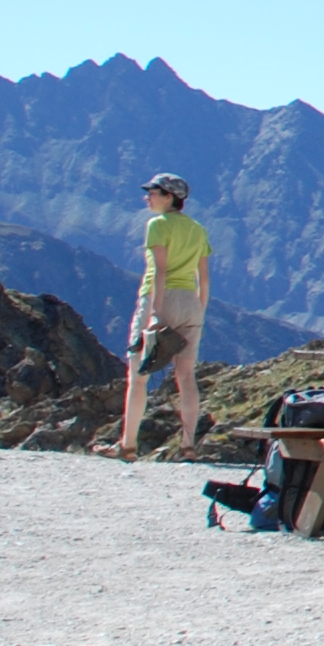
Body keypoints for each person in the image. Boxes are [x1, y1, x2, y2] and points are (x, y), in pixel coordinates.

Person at [117, 171, 211, 460]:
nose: (147, 197)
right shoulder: (198, 229)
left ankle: (128, 445)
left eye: (153, 193)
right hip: (190, 303)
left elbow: (158, 270)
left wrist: (156, 313)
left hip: (161, 299)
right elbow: (204, 278)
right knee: (186, 376)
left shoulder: (158, 225)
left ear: (169, 197)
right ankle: (188, 446)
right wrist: (200, 311)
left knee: (138, 374)